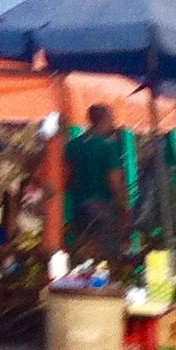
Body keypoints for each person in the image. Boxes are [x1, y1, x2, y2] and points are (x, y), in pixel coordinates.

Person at [64, 105, 135, 260]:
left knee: (84, 256)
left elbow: (66, 179)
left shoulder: (72, 146)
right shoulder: (107, 148)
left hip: (77, 209)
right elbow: (115, 183)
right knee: (108, 258)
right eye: (111, 119)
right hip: (103, 211)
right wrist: (125, 209)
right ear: (103, 120)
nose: (113, 123)